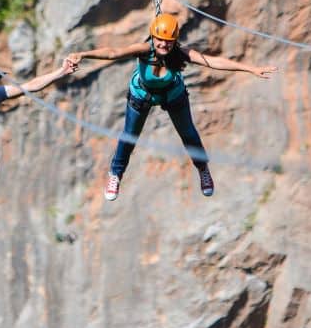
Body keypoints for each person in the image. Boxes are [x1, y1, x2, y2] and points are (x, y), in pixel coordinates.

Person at [66, 13, 277, 201]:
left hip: (173, 94)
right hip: (141, 95)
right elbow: (113, 52)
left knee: (189, 134)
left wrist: (250, 69)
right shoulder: (144, 50)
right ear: (153, 37)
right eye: (160, 40)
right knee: (129, 136)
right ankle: (115, 175)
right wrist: (84, 54)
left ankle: (202, 168)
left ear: (174, 41)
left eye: (168, 41)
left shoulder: (181, 53)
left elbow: (214, 62)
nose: (163, 45)